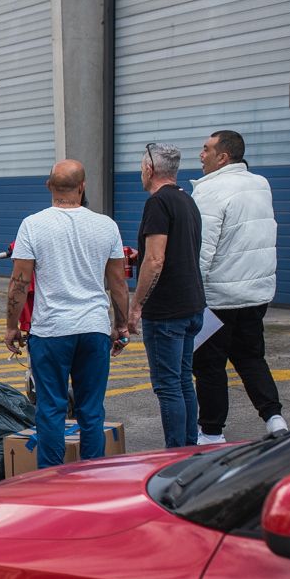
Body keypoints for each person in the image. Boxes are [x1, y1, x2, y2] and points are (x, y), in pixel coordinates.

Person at [4, 160, 130, 470]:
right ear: (83, 186)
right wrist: (122, 325)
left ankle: (51, 478)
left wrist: (11, 326)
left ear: (48, 185)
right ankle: (91, 477)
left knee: (51, 408)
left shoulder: (33, 225)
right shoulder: (107, 225)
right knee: (91, 409)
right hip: (94, 329)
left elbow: (18, 283)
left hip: (50, 331)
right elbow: (118, 283)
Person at [191, 130, 287, 442]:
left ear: (224, 157)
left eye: (206, 150)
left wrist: (194, 293)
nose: (201, 155)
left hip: (219, 296)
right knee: (250, 357)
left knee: (208, 365)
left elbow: (202, 248)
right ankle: (274, 418)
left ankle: (211, 432)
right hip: (255, 293)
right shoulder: (261, 184)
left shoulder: (210, 191)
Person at [129, 142, 206, 448]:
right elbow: (174, 251)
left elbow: (157, 259)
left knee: (168, 386)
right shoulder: (186, 200)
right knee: (183, 380)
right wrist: (140, 256)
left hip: (167, 312)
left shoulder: (157, 203)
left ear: (150, 168)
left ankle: (175, 454)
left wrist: (136, 307)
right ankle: (188, 448)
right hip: (192, 305)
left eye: (140, 167)